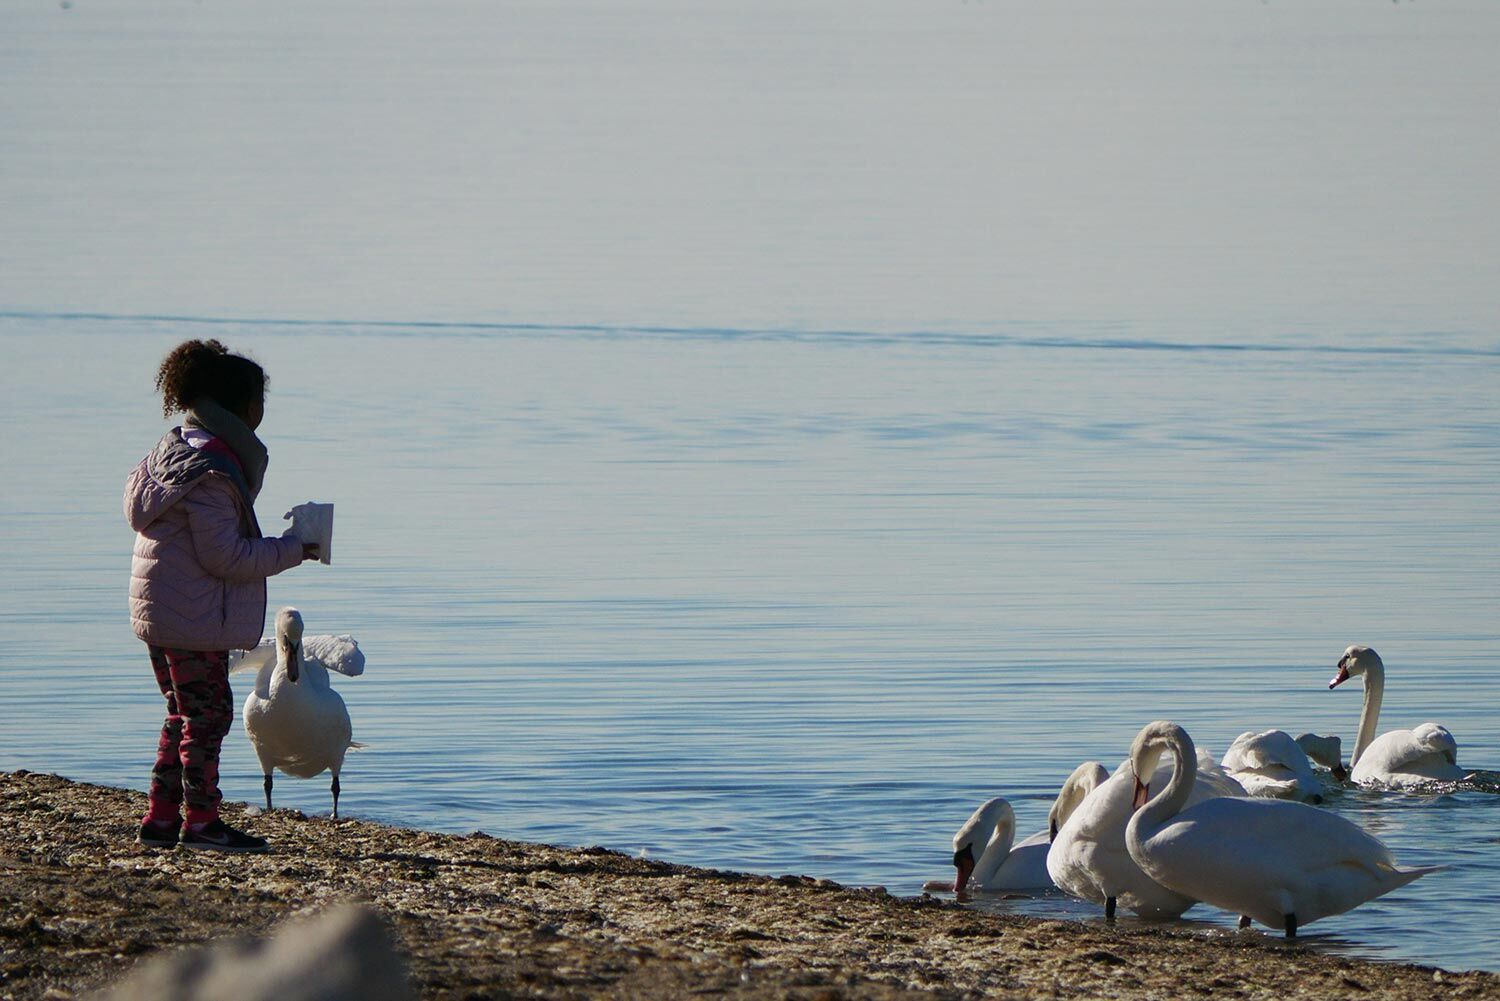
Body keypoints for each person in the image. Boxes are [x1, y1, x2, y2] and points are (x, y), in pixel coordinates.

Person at [124, 339, 318, 852]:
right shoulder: (210, 472)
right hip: (191, 616)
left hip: (163, 610)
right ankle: (203, 824)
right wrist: (296, 548)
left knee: (184, 713)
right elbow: (226, 557)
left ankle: (162, 820)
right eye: (260, 402)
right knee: (208, 718)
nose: (262, 412)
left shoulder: (173, 452)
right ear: (244, 408)